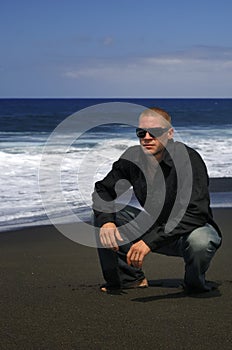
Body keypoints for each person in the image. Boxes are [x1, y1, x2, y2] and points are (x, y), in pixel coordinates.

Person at [92, 107, 222, 293]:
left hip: (190, 230)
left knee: (201, 243)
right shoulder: (133, 158)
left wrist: (149, 242)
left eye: (155, 132)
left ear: (169, 133)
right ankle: (130, 279)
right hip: (156, 226)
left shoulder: (188, 159)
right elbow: (103, 190)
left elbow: (195, 213)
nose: (146, 137)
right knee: (105, 214)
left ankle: (194, 283)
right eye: (141, 132)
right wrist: (107, 223)